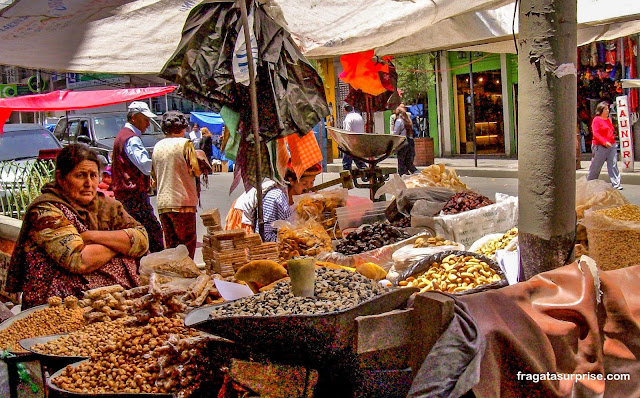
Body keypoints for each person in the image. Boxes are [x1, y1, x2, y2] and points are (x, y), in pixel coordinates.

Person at [6, 144, 149, 309]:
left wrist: (91, 237)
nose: (89, 183)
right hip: (59, 307)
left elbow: (142, 239)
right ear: (61, 178)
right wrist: (123, 244)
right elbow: (79, 260)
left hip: (110, 303)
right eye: (80, 175)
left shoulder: (108, 206)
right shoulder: (45, 211)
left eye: (94, 176)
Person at [112, 101, 164, 253]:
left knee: (139, 230)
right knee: (151, 231)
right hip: (133, 194)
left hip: (127, 193)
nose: (148, 123)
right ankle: (155, 263)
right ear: (134, 117)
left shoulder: (125, 136)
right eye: (145, 119)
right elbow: (145, 165)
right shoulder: (131, 138)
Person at [152, 111, 202, 259]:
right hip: (183, 201)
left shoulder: (157, 146)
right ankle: (187, 278)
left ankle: (174, 278)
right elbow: (196, 170)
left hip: (163, 203)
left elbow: (153, 177)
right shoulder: (185, 144)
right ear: (182, 128)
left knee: (171, 246)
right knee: (186, 245)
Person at [587, 101, 622, 190]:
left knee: (613, 164)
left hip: (611, 145)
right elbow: (596, 133)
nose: (607, 111)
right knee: (596, 165)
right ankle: (590, 182)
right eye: (605, 109)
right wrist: (604, 142)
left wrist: (613, 142)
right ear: (601, 110)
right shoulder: (597, 120)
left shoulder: (609, 120)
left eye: (608, 109)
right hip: (600, 146)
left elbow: (610, 132)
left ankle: (616, 184)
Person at [394, 105, 418, 175]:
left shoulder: (399, 121)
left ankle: (404, 180)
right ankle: (417, 175)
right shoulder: (408, 120)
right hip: (410, 142)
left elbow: (396, 133)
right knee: (409, 164)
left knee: (401, 165)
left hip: (403, 143)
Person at [342, 104, 367, 170]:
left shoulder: (348, 118)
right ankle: (366, 172)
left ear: (345, 110)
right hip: (359, 141)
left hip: (351, 143)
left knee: (346, 163)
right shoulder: (358, 116)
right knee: (359, 160)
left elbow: (348, 132)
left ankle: (347, 176)